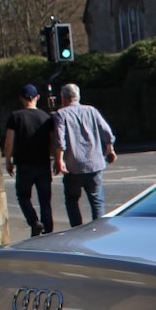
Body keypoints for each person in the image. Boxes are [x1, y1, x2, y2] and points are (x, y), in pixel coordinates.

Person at [51, 83, 117, 226]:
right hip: (94, 162)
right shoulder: (92, 110)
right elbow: (106, 130)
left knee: (72, 200)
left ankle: (77, 229)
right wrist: (110, 148)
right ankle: (99, 229)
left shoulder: (61, 114)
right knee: (97, 200)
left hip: (74, 164)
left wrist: (59, 160)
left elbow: (60, 140)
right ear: (78, 96)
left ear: (63, 98)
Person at [1, 84, 55, 236]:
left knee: (23, 196)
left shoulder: (15, 116)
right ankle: (48, 229)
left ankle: (34, 221)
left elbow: (9, 142)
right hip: (43, 162)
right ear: (37, 97)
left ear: (21, 98)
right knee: (45, 199)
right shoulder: (46, 117)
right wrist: (57, 159)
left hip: (24, 164)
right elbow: (53, 141)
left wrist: (8, 161)